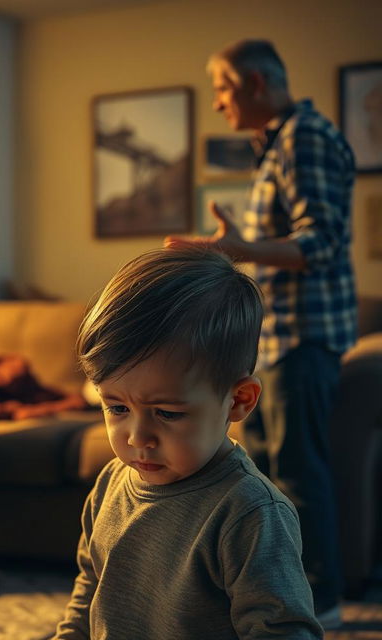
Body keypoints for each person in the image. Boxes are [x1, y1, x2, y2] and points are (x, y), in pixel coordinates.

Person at [164, 39, 357, 628]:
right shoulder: (276, 145)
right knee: (272, 472)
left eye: (222, 88)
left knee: (298, 472)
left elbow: (321, 240)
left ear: (252, 81)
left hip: (305, 337)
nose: (218, 104)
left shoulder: (306, 138)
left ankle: (321, 599)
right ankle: (279, 591)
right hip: (280, 341)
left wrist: (238, 249)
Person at [54, 247, 322, 640]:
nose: (137, 437)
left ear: (239, 400)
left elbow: (283, 632)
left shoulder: (249, 512)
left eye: (166, 413)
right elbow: (90, 590)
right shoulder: (110, 484)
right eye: (116, 407)